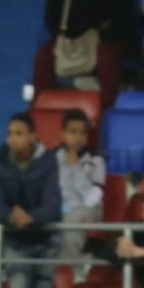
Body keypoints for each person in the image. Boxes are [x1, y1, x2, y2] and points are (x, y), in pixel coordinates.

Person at [32, 0, 138, 108]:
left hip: (108, 39)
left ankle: (107, 108)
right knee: (44, 55)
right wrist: (63, 34)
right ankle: (41, 108)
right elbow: (51, 13)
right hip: (71, 38)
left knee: (106, 57)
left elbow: (126, 21)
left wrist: (98, 35)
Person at [0, 112, 61, 288]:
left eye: (19, 133)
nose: (12, 138)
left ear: (33, 136)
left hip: (46, 240)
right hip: (14, 240)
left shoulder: (48, 160)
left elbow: (53, 204)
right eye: (10, 133)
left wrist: (31, 217)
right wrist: (11, 216)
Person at [54, 108, 105, 272]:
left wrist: (75, 167)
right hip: (58, 207)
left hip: (88, 210)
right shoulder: (50, 159)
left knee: (73, 218)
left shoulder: (96, 160)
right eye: (72, 132)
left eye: (83, 133)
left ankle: (73, 272)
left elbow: (92, 199)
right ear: (63, 134)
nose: (78, 137)